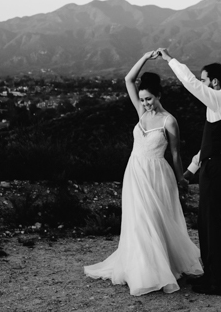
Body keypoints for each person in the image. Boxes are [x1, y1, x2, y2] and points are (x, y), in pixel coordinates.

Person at [84, 51, 203, 296]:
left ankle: (159, 269)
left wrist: (182, 180)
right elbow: (128, 80)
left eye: (149, 99)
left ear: (158, 95)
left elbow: (176, 153)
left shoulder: (169, 121)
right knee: (137, 221)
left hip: (158, 174)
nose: (146, 103)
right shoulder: (141, 113)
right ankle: (141, 268)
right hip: (135, 172)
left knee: (155, 220)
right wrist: (145, 58)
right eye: (143, 99)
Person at [158, 48, 221, 296]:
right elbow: (207, 147)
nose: (202, 84)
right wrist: (190, 173)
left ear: (214, 82)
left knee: (211, 222)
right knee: (205, 221)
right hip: (211, 166)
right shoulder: (216, 106)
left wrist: (170, 60)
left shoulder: (219, 99)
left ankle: (219, 282)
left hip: (217, 168)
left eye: (205, 80)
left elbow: (190, 83)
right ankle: (211, 275)